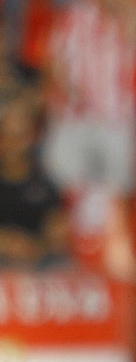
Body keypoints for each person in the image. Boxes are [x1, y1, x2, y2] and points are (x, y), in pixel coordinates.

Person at [42, 0, 136, 225]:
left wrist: (129, 7)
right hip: (72, 116)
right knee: (64, 187)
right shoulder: (76, 13)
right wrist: (67, 90)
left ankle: (114, 250)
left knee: (118, 192)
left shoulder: (134, 14)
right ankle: (73, 254)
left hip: (116, 118)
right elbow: (55, 59)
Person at [0, 96, 67, 266]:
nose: (13, 143)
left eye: (21, 136)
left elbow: (58, 231)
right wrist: (6, 243)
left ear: (34, 137)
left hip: (37, 268)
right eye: (7, 135)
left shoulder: (48, 181)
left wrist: (38, 247)